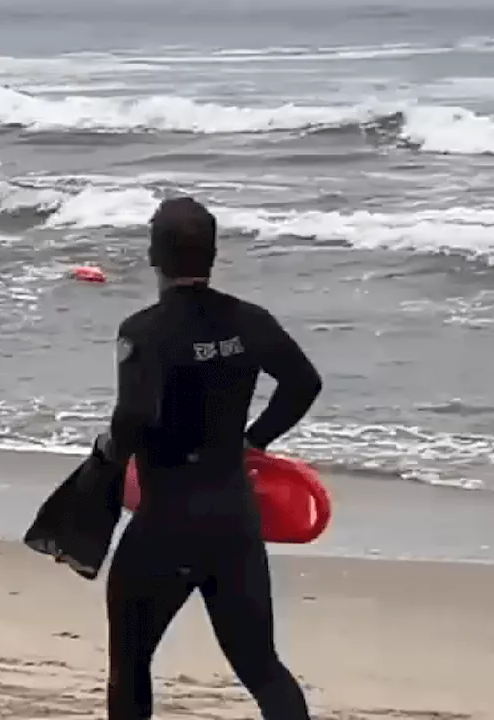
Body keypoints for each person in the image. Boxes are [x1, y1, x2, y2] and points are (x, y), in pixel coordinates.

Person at [103, 196, 322, 720]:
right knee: (261, 666)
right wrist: (255, 439)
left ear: (154, 255)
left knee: (131, 665)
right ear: (214, 253)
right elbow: (303, 383)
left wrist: (108, 455)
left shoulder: (144, 331)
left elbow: (133, 415)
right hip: (233, 521)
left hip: (166, 522)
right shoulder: (249, 321)